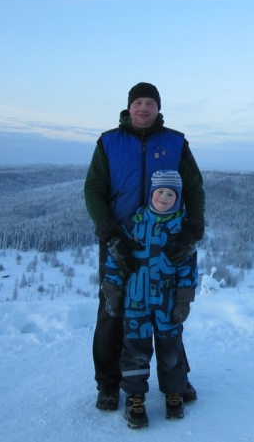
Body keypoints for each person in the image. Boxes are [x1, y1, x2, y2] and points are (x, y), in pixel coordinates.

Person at [84, 82, 205, 411]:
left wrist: (192, 229)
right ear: (129, 107)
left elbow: (193, 188)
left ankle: (178, 379)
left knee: (166, 311)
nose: (144, 108)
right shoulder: (109, 141)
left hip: (167, 240)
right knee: (113, 309)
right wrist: (110, 233)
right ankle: (108, 384)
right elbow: (94, 189)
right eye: (138, 102)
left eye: (150, 103)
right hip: (120, 241)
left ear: (158, 108)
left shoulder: (175, 142)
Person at [101, 170, 198, 429]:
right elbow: (116, 261)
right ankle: (135, 399)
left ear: (177, 199)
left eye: (171, 194)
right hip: (135, 305)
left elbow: (188, 270)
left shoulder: (180, 229)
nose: (164, 198)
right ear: (151, 194)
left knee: (171, 350)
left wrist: (183, 301)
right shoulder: (133, 224)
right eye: (160, 192)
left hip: (167, 306)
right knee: (135, 352)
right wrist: (114, 293)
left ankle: (174, 393)